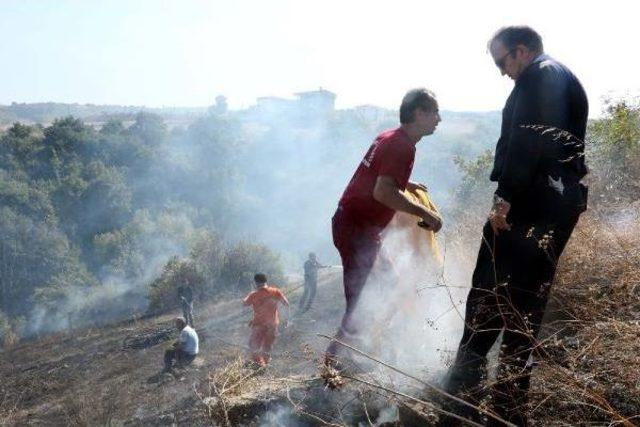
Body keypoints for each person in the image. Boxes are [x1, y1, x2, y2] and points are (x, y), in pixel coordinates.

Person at [444, 26, 589, 425]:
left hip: (529, 205)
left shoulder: (538, 77)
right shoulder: (558, 75)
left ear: (519, 51)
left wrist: (504, 199)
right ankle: (506, 406)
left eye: (500, 61)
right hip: (552, 204)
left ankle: (461, 398)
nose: (501, 71)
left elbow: (527, 142)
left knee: (490, 295)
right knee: (526, 302)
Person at [325, 88, 443, 365]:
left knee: (388, 287)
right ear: (419, 113)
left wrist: (406, 184)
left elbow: (376, 177)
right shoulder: (401, 145)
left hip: (358, 227)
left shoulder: (390, 137)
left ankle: (364, 354)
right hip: (356, 229)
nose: (439, 119)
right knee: (362, 301)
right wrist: (426, 213)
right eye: (435, 112)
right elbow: (383, 192)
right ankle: (333, 366)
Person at [243, 273, 290, 367]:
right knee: (267, 346)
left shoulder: (254, 295)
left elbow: (244, 303)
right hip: (273, 325)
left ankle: (260, 364)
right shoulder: (275, 292)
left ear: (256, 283)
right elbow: (286, 304)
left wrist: (251, 291)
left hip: (259, 325)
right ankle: (265, 364)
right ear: (266, 281)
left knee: (253, 345)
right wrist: (286, 320)